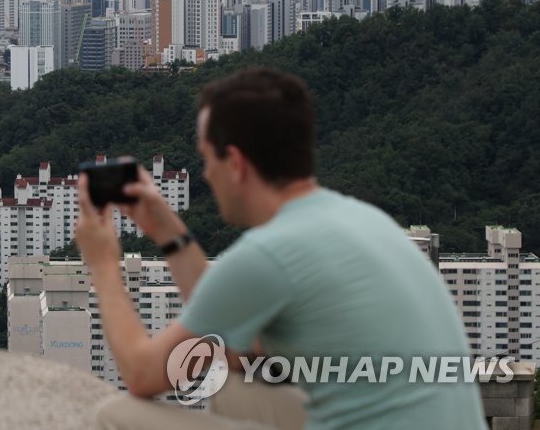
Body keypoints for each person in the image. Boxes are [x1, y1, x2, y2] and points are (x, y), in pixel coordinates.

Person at [75, 67, 487, 430]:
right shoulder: (363, 218)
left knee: (116, 415)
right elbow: (233, 347)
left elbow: (142, 374)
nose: (205, 174)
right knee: (235, 385)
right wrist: (170, 234)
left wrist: (103, 264)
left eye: (207, 159)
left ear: (235, 163)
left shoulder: (268, 254)